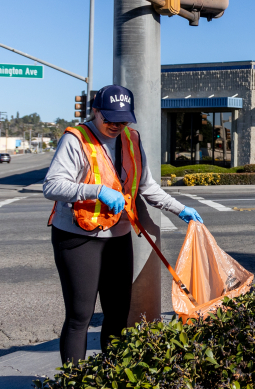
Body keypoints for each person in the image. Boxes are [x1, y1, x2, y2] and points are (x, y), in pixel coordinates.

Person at [43, 85, 203, 365]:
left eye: (123, 120)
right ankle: (74, 381)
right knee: (80, 316)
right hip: (78, 237)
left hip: (118, 236)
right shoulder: (76, 139)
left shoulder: (131, 139)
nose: (117, 126)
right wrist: (95, 191)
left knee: (118, 313)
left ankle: (110, 374)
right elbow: (52, 185)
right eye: (110, 120)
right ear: (95, 112)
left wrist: (181, 210)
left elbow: (147, 187)